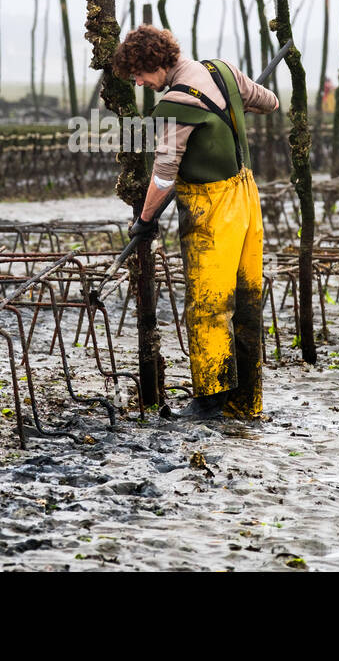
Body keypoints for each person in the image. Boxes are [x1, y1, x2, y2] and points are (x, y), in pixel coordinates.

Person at [112, 26, 279, 419]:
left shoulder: (177, 103)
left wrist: (145, 219)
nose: (137, 82)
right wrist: (231, 107)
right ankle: (244, 403)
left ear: (156, 62)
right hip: (248, 197)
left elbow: (165, 173)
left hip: (212, 207)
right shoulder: (223, 72)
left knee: (208, 304)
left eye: (138, 72)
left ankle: (209, 400)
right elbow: (268, 101)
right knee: (246, 301)